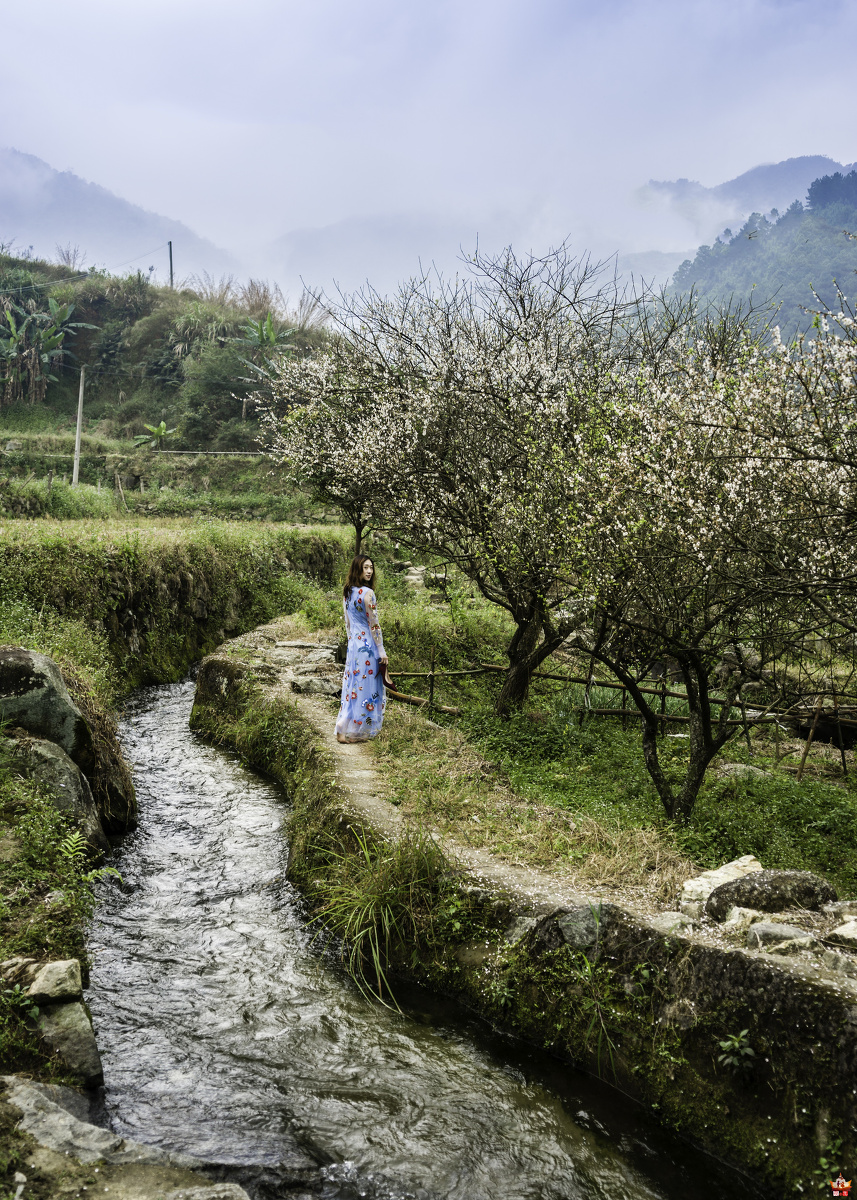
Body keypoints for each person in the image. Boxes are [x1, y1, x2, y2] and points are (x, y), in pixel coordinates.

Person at [335, 555, 390, 743]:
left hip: (354, 646)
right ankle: (359, 730)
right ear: (357, 569)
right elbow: (374, 624)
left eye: (371, 568)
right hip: (368, 647)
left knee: (353, 685)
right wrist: (381, 650)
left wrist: (352, 642)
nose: (369, 571)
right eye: (365, 567)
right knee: (366, 688)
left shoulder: (347, 592)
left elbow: (348, 623)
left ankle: (343, 726)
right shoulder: (368, 593)